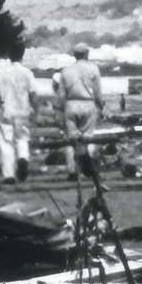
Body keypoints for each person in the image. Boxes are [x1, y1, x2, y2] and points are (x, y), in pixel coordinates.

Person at [58, 42, 103, 181]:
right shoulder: (94, 69)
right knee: (88, 137)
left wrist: (59, 111)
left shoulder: (66, 70)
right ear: (86, 53)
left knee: (71, 138)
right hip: (88, 104)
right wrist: (100, 107)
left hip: (71, 104)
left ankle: (72, 170)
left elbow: (61, 95)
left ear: (74, 55)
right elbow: (98, 92)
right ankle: (86, 170)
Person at [0, 55, 37, 184]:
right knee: (22, 139)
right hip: (23, 112)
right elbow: (33, 94)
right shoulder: (27, 73)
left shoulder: (1, 73)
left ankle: (9, 175)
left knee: (7, 144)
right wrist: (35, 113)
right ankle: (23, 157)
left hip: (6, 112)